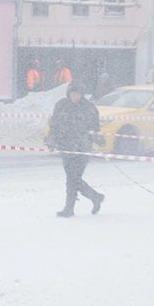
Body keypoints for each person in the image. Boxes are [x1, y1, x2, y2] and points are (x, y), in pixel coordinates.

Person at [45, 79, 105, 217]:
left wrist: (98, 139)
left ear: (82, 95)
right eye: (73, 94)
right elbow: (54, 124)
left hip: (82, 148)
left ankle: (69, 208)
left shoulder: (89, 108)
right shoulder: (61, 105)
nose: (75, 97)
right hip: (65, 147)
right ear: (69, 93)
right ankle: (95, 197)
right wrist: (51, 138)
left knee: (72, 178)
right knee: (73, 178)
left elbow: (95, 128)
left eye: (78, 94)